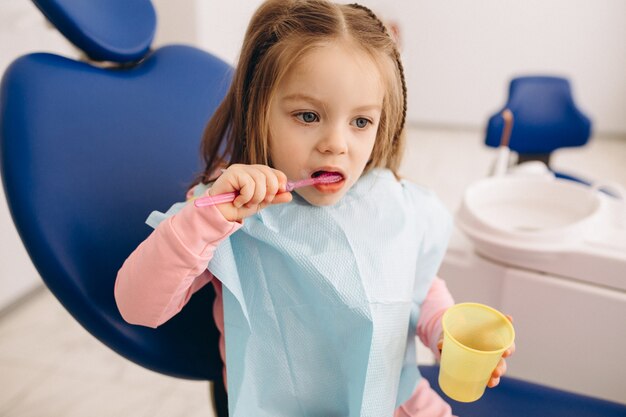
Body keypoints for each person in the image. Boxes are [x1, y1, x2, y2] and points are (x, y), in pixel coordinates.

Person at [115, 1, 514, 415]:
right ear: (258, 109)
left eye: (361, 122)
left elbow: (416, 287)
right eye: (308, 116)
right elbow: (137, 307)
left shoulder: (388, 197)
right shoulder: (228, 208)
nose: (336, 144)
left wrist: (442, 333)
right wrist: (206, 218)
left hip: (396, 402)